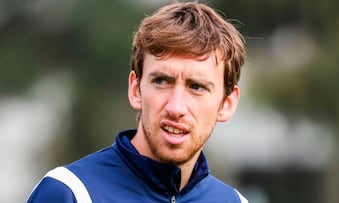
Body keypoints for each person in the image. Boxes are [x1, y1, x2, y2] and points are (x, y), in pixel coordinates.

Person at [27, 1, 247, 202]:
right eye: (161, 81)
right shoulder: (70, 192)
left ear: (227, 103)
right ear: (135, 89)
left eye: (196, 87)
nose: (176, 107)